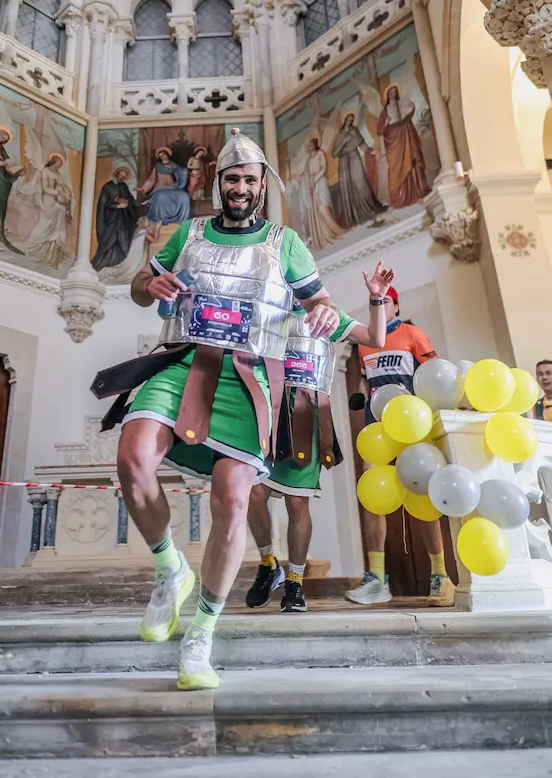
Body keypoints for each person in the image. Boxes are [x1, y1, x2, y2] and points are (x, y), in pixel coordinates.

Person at [93, 128, 343, 691]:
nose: (239, 186)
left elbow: (319, 301)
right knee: (133, 458)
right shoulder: (190, 231)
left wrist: (324, 315)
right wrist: (149, 285)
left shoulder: (286, 242)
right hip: (183, 360)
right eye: (231, 178)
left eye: (249, 179)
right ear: (219, 184)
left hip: (252, 376)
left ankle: (202, 628)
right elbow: (138, 284)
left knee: (233, 496)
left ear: (262, 186)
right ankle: (168, 569)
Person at [246, 261, 394, 613]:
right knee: (253, 491)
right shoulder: (264, 311)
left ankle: (295, 583)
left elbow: (375, 339)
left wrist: (376, 300)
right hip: (266, 410)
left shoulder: (328, 316)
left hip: (306, 413)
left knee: (298, 503)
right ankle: (269, 564)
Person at [345, 286, 455, 608]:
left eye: (384, 302)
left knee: (421, 497)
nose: (378, 307)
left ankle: (440, 575)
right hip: (376, 428)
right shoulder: (365, 342)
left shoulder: (412, 333)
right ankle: (377, 578)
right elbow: (367, 382)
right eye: (373, 304)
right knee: (371, 497)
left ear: (395, 306)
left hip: (412, 425)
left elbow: (434, 375)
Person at [377, 83, 430, 208]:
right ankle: (398, 198)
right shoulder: (384, 112)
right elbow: (379, 131)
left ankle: (417, 192)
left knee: (412, 162)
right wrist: (385, 123)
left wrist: (412, 109)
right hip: (393, 140)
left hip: (406, 133)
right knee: (396, 169)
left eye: (395, 93)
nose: (393, 95)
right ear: (387, 96)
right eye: (391, 93)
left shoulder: (402, 104)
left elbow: (407, 117)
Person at [331, 113, 384, 228]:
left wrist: (370, 151)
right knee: (349, 186)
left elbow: (362, 144)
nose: (350, 122)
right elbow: (334, 153)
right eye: (348, 120)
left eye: (352, 120)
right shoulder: (340, 135)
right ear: (345, 121)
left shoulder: (354, 131)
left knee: (360, 182)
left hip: (355, 157)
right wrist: (344, 142)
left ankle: (368, 207)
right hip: (344, 162)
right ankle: (356, 214)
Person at [24, 153, 74, 268]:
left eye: (60, 165)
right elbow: (46, 188)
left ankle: (52, 250)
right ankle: (35, 240)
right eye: (58, 164)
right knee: (49, 218)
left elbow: (62, 186)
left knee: (60, 214)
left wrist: (65, 192)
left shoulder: (57, 174)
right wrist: (59, 192)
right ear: (53, 162)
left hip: (56, 199)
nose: (58, 167)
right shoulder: (45, 172)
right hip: (47, 198)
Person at [138, 147, 191, 243]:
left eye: (163, 154)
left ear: (167, 154)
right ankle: (160, 219)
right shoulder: (157, 166)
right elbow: (151, 179)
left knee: (184, 197)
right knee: (160, 197)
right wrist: (143, 188)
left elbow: (181, 174)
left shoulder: (174, 166)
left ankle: (182, 219)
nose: (161, 156)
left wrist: (184, 171)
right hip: (160, 188)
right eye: (160, 155)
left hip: (171, 188)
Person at [300, 136, 344, 250]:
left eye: (310, 145)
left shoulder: (320, 154)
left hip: (320, 182)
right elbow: (306, 173)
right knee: (315, 210)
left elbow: (324, 168)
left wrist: (316, 179)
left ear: (314, 145)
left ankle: (333, 231)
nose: (308, 147)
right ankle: (322, 236)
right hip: (312, 185)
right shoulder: (309, 159)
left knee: (322, 206)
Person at [92, 165, 138, 271]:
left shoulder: (123, 187)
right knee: (109, 240)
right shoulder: (108, 187)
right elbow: (104, 204)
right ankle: (100, 264)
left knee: (123, 239)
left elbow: (130, 200)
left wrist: (142, 203)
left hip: (123, 218)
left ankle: (119, 263)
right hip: (111, 219)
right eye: (120, 174)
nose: (121, 177)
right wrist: (117, 205)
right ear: (116, 174)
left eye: (124, 176)